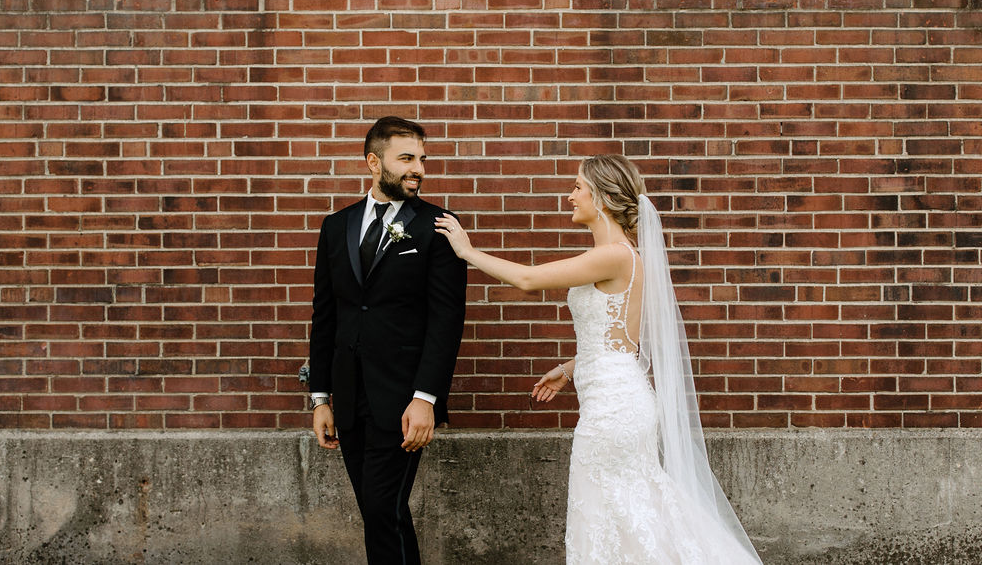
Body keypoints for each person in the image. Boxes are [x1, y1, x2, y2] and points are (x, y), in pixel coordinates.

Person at [435, 155, 762, 564]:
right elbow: (622, 340)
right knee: (629, 516)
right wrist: (570, 369)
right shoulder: (622, 256)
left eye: (577, 187)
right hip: (618, 400)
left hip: (613, 413)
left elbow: (528, 279)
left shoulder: (615, 255)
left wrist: (467, 250)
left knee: (608, 517)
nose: (570, 195)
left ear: (603, 198)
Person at [309, 116, 467, 565]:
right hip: (350, 396)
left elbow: (446, 319)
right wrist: (321, 397)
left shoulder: (438, 225)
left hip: (402, 401)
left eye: (422, 159)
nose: (419, 168)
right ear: (373, 163)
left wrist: (426, 399)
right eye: (407, 158)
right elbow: (326, 316)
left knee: (382, 508)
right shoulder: (335, 226)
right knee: (381, 512)